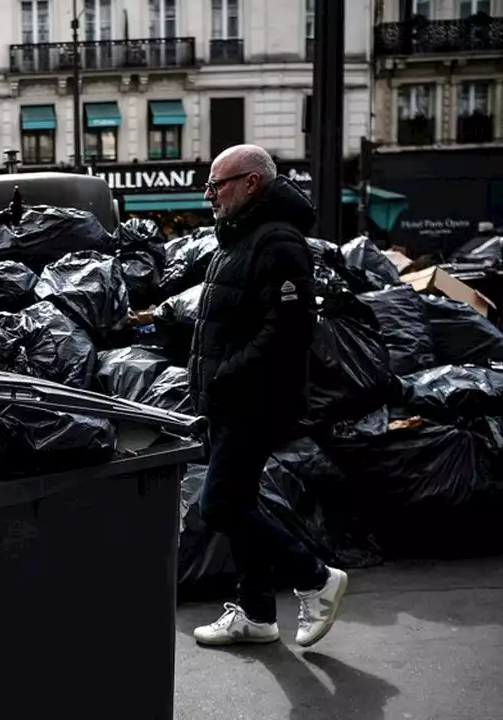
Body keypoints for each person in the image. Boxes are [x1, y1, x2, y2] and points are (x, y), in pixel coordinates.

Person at [189, 144, 349, 648]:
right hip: (229, 400)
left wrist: (224, 378)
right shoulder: (240, 238)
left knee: (219, 506)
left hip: (252, 401)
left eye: (218, 185)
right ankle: (256, 613)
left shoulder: (277, 241)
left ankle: (315, 577)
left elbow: (288, 331)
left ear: (251, 184)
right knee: (240, 501)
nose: (209, 195)